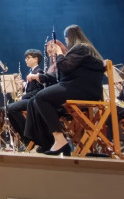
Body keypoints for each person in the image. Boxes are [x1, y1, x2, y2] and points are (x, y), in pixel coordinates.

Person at [24, 25, 104, 156]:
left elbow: (64, 67)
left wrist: (60, 54)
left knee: (40, 97)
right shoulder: (86, 49)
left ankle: (60, 140)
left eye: (66, 39)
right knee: (41, 100)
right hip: (84, 89)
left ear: (69, 37)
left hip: (81, 90)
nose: (66, 42)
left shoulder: (81, 48)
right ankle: (50, 140)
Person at [6, 48, 48, 147]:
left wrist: (23, 96)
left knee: (11, 108)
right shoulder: (32, 71)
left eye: (28, 58)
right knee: (7, 109)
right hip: (28, 99)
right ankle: (25, 136)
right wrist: (24, 86)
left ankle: (29, 136)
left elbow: (39, 91)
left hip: (32, 101)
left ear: (36, 59)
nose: (26, 60)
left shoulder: (39, 72)